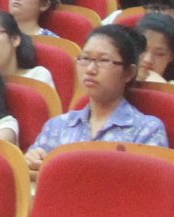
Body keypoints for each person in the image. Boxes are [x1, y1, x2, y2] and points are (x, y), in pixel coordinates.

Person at [26, 23, 166, 177]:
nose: (90, 69)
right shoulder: (57, 126)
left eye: (104, 61)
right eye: (85, 58)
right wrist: (32, 164)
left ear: (129, 73)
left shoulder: (146, 131)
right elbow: (32, 176)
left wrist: (59, 175)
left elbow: (145, 186)